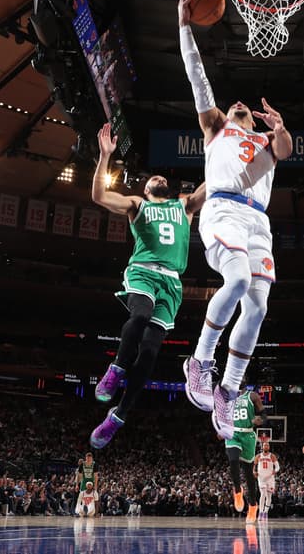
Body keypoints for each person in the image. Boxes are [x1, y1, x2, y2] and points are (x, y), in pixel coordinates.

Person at [177, 0, 293, 440]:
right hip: (223, 208)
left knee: (259, 305)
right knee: (239, 280)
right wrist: (184, 26)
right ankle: (200, 360)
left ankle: (226, 391)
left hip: (258, 220)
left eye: (245, 107)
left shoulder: (265, 142)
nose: (239, 104)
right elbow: (196, 78)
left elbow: (285, 150)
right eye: (235, 104)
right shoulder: (217, 128)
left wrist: (280, 127)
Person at [90, 122, 206, 448]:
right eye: (155, 178)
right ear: (146, 189)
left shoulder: (183, 206)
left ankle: (119, 415)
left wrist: (224, 148)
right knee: (139, 316)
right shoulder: (137, 205)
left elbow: (210, 187)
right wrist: (104, 156)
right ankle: (115, 369)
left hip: (171, 282)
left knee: (151, 352)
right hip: (142, 271)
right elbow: (99, 195)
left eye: (164, 178)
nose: (160, 178)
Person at [225, 385, 266, 523]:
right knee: (233, 460)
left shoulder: (252, 395)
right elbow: (222, 415)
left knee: (249, 475)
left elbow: (264, 415)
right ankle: (237, 490)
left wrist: (260, 420)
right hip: (233, 432)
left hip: (248, 434)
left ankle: (253, 506)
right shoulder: (228, 396)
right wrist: (221, 428)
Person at [254, 441, 279, 521]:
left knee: (269, 497)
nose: (266, 446)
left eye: (267, 445)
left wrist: (275, 471)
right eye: (265, 445)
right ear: (262, 447)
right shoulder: (258, 456)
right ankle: (260, 513)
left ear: (269, 447)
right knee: (263, 494)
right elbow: (253, 466)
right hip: (261, 478)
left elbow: (278, 467)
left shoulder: (272, 456)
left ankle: (265, 512)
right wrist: (254, 472)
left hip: (270, 478)